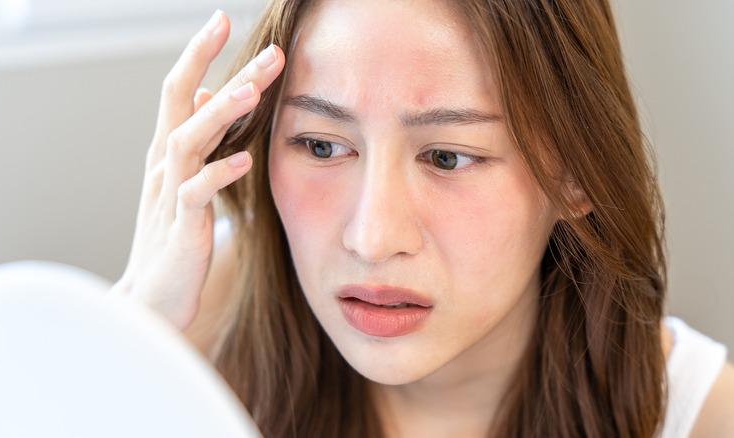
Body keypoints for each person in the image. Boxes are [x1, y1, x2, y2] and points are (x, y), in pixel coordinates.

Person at [112, 0, 734, 436]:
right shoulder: (191, 325)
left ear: (578, 174)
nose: (372, 238)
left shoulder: (700, 417)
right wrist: (130, 329)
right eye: (322, 145)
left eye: (447, 157)